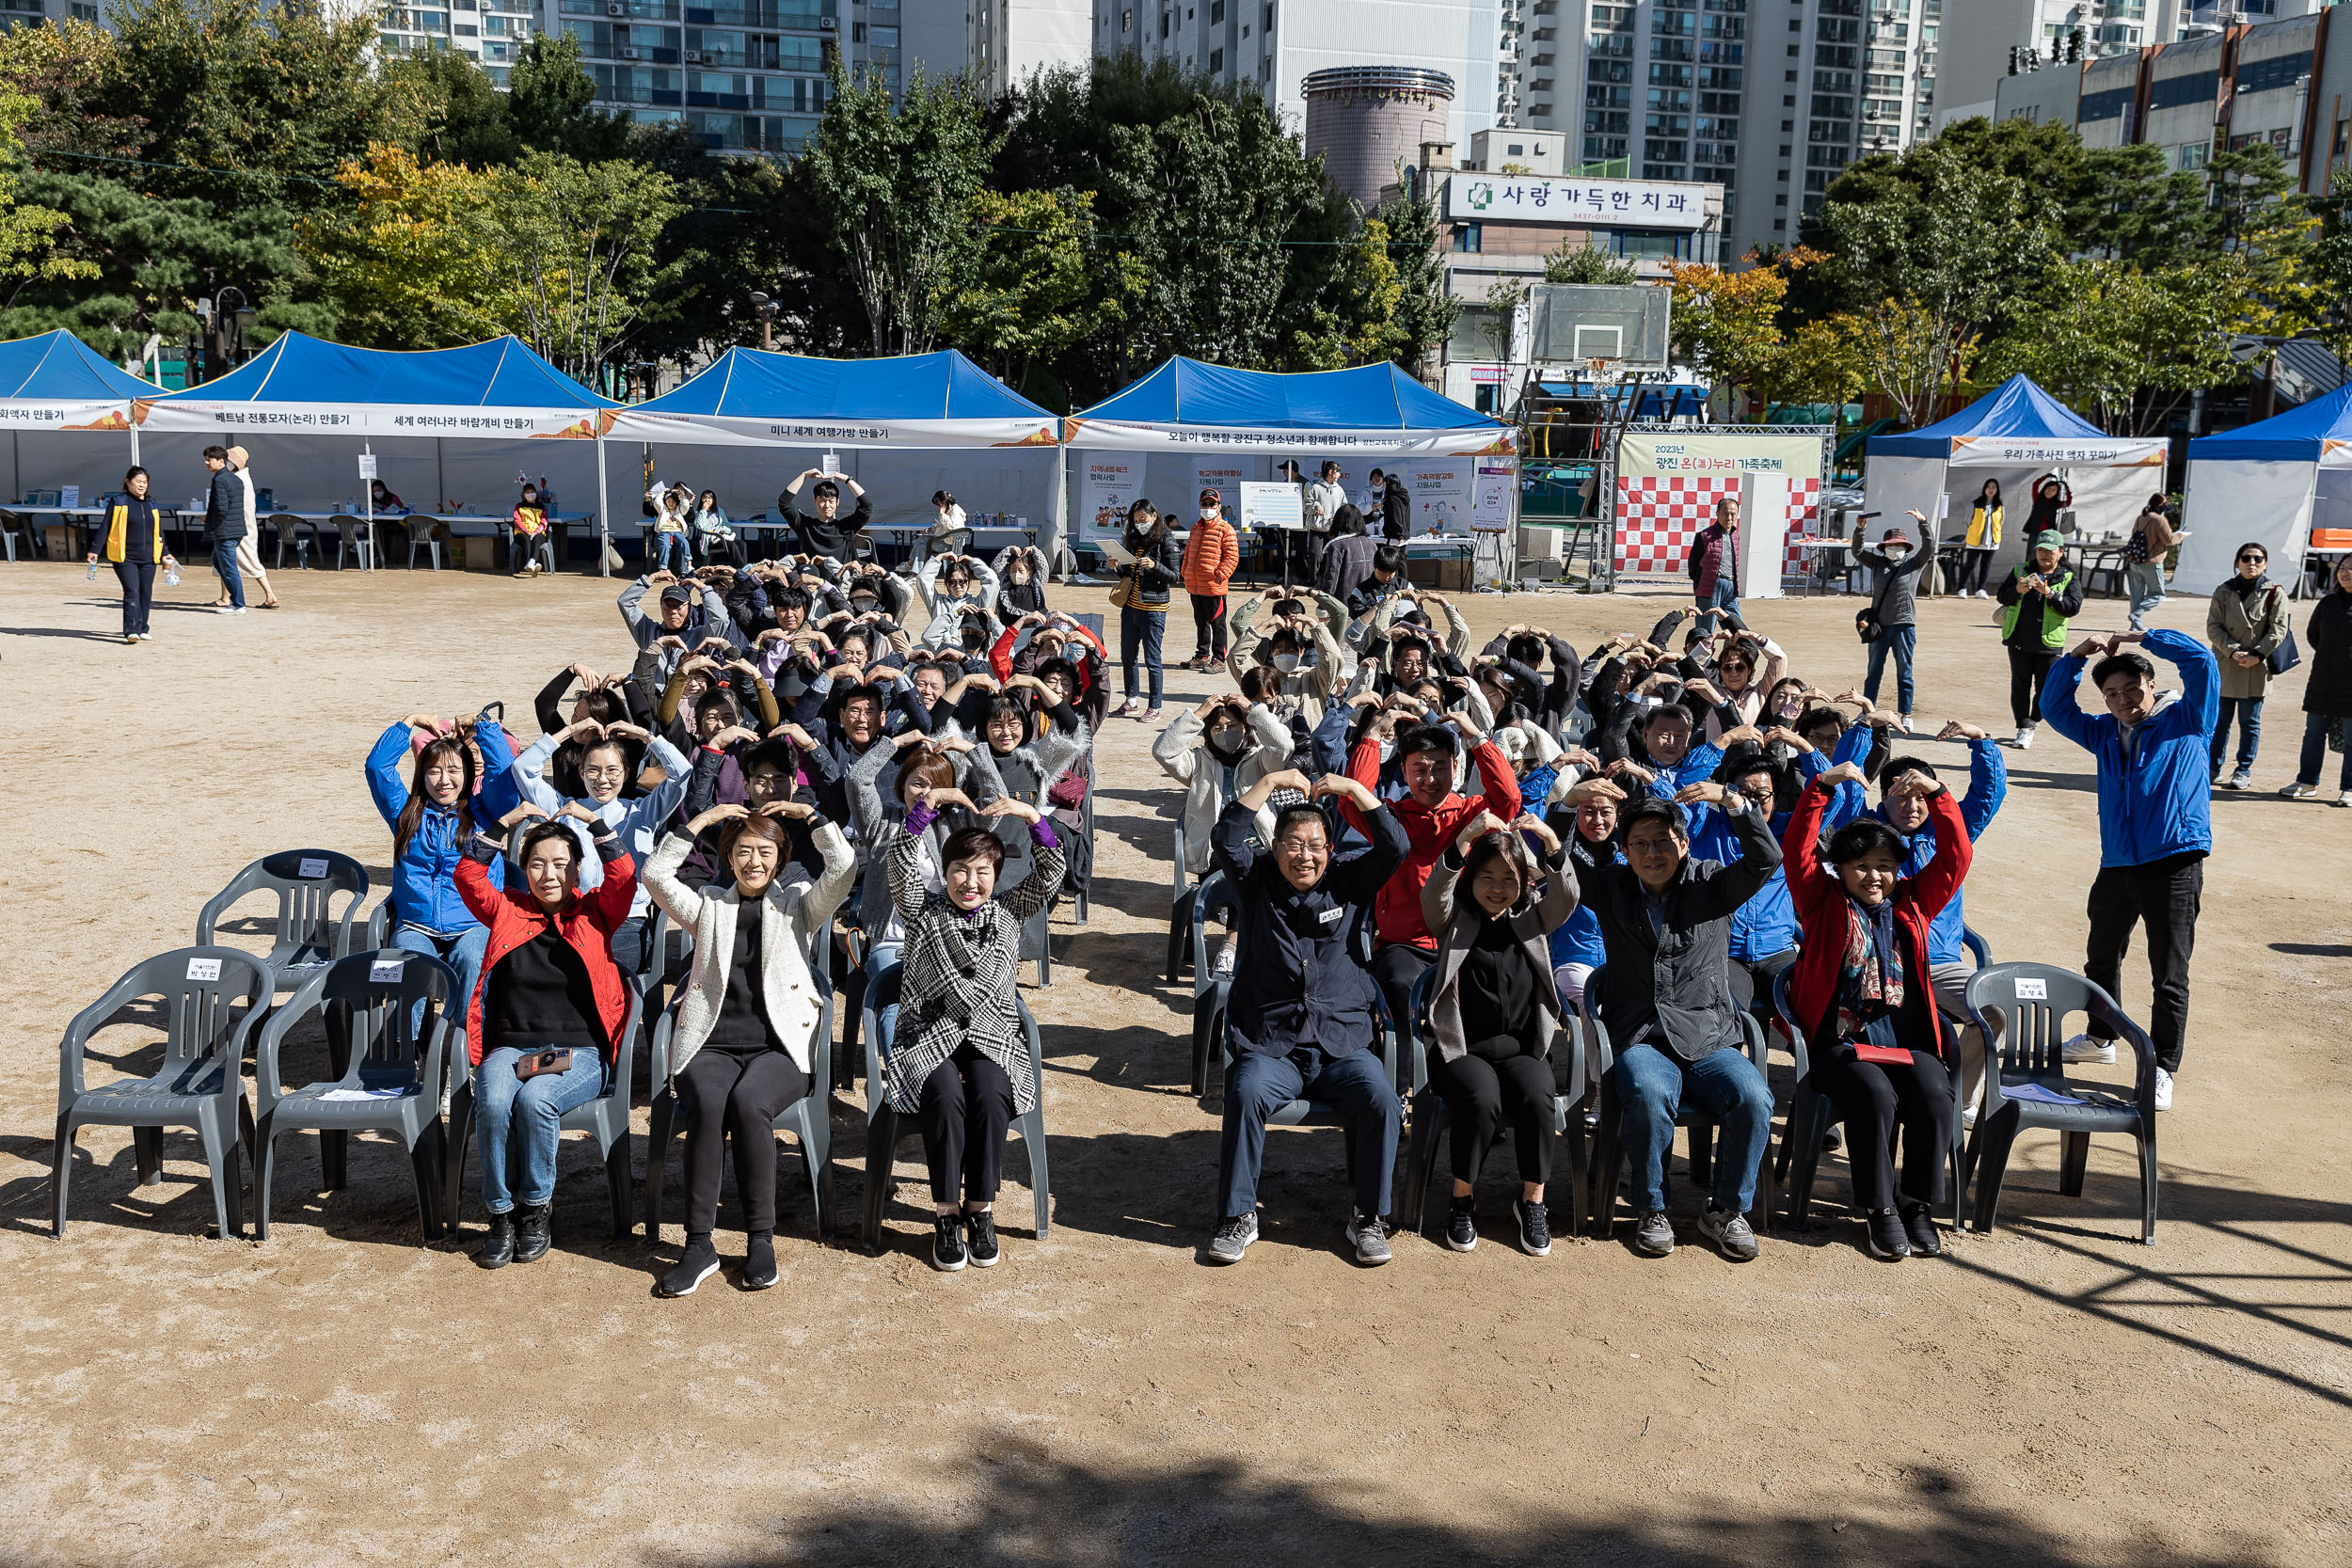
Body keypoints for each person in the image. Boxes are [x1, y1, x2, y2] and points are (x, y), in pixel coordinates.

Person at [642, 801, 854, 1296]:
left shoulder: (799, 904)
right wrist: (698, 823)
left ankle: (761, 1237)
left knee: (747, 1101)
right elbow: (654, 875)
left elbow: (843, 868)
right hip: (712, 1044)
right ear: (729, 857)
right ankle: (699, 1245)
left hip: (778, 1048)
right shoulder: (709, 906)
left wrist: (811, 816)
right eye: (743, 852)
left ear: (778, 859)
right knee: (710, 1101)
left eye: (764, 852)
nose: (753, 861)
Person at [1205, 767, 1409, 1267]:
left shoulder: (1347, 883)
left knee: (1381, 1097)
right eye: (1293, 844)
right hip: (1273, 1044)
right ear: (1275, 848)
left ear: (1330, 850)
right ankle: (1238, 1215)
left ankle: (1368, 1216)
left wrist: (1355, 791)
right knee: (1246, 1090)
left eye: (1316, 845)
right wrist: (1271, 782)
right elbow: (1226, 835)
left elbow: (1396, 848)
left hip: (1342, 1044)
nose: (1305, 855)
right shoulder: (1255, 882)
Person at [1781, 762, 1972, 1260]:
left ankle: (1916, 1205)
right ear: (1840, 869)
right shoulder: (1820, 901)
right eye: (1863, 865)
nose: (1875, 876)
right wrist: (1821, 788)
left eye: (1886, 865)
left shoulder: (1913, 903)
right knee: (1876, 1095)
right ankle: (1879, 1209)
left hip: (1904, 1038)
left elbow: (1957, 856)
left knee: (1935, 1092)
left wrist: (1939, 793)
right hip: (1840, 1041)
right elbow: (1796, 848)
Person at [1584, 789, 1782, 1261]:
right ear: (1625, 850)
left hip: (1708, 1034)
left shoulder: (1711, 882)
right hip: (1639, 1035)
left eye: (1663, 841)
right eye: (1640, 844)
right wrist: (1569, 805)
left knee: (1754, 1097)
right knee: (1649, 1093)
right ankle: (1653, 1209)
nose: (1653, 853)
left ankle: (1725, 1211)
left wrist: (1734, 803)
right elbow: (1562, 874)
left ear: (1684, 842)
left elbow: (1764, 858)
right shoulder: (1612, 886)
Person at [882, 784, 1066, 1273]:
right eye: (960, 870)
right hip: (929, 1032)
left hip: (993, 1032)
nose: (970, 881)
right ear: (944, 874)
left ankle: (979, 1208)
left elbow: (1051, 874)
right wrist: (925, 808)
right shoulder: (922, 912)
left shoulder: (1008, 912)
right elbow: (900, 863)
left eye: (982, 872)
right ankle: (945, 1211)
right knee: (944, 1095)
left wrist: (1033, 816)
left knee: (989, 1092)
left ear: (996, 876)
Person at [2040, 629, 2218, 1112]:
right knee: (2100, 958)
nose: (2122, 700)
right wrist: (2075, 656)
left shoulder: (2189, 719)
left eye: (2131, 689)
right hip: (2117, 863)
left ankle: (2162, 1065)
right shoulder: (2102, 731)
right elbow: (2056, 710)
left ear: (2151, 683)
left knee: (2168, 972)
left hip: (2174, 861)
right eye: (2112, 694)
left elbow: (2201, 659)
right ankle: (2101, 1039)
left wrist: (2144, 636)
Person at [454, 801, 638, 1268]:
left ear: (577, 869)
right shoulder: (507, 911)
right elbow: (469, 878)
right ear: (523, 868)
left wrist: (595, 824)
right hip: (512, 1046)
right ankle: (500, 1214)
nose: (548, 874)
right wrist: (502, 823)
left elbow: (623, 876)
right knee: (493, 1100)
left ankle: (536, 1209)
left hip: (580, 1050)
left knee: (536, 1099)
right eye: (536, 864)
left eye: (560, 863)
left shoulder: (597, 912)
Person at [1420, 808, 1580, 1257]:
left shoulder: (1531, 918)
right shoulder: (1454, 920)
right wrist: (1467, 837)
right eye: (1487, 876)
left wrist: (1549, 839)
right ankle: (1462, 1198)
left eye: (1508, 878)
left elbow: (1566, 896)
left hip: (1520, 1049)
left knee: (1537, 1091)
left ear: (1523, 883)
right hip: (1461, 1049)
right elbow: (1435, 894)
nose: (1496, 888)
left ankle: (1532, 1200)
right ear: (1472, 878)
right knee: (1482, 1095)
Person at [1340, 706, 1522, 1033]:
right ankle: (1408, 1073)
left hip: (1465, 938)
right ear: (1405, 773)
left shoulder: (1471, 812)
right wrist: (1371, 738)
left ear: (1455, 766)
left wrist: (1477, 737)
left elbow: (1508, 798)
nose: (1430, 780)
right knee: (1398, 985)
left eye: (1440, 768)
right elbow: (1352, 800)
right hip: (1403, 945)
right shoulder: (1391, 818)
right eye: (1419, 770)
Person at [1860, 730, 2007, 1120]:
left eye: (1920, 796)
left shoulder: (1945, 835)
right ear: (1883, 799)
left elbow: (1986, 798)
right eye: (1902, 796)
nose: (1912, 805)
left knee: (1993, 1011)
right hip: (1881, 963)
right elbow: (1838, 797)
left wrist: (1983, 743)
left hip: (1939, 964)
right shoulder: (1865, 834)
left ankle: (1958, 1103)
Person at [368, 709, 523, 1065]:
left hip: (472, 923)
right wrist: (407, 723)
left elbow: (504, 772)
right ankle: (405, 1056)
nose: (443, 780)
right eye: (434, 770)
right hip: (417, 924)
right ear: (422, 775)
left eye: (454, 770)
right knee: (407, 962)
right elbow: (378, 768)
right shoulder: (406, 812)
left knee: (471, 959)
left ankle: (464, 1055)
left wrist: (482, 725)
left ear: (468, 775)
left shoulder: (485, 812)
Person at [512, 717, 692, 974]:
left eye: (612, 771)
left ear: (626, 773)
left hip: (626, 923)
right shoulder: (565, 810)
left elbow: (682, 773)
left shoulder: (642, 813)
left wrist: (644, 735)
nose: (602, 780)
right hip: (572, 916)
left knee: (598, 977)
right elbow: (523, 768)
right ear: (582, 773)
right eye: (593, 770)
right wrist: (570, 731)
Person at [2205, 541, 2292, 790]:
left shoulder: (2275, 592)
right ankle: (2213, 767)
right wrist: (2234, 652)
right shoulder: (2223, 591)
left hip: (2256, 666)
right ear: (2237, 562)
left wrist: (2257, 654)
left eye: (2257, 559)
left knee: (2249, 722)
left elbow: (2278, 629)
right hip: (2227, 664)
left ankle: (2243, 769)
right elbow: (2213, 627)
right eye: (2246, 558)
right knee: (2219, 721)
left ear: (2265, 563)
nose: (2251, 563)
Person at [1994, 531, 2081, 751]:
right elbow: (2002, 596)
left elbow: (2073, 607)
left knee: (2046, 688)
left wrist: (2050, 593)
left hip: (2049, 643)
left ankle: (2034, 721)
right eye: (2041, 550)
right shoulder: (2021, 570)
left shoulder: (2068, 577)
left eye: (2050, 551)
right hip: (2019, 639)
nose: (2045, 555)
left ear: (2061, 552)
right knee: (2020, 684)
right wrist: (2017, 589)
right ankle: (2023, 726)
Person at [2280, 556, 2352, 806]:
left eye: (2351, 568)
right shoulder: (2328, 603)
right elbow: (2313, 636)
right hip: (2322, 681)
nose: (2345, 573)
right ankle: (2307, 781)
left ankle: (2349, 788)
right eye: (2342, 568)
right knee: (2313, 735)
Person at [1108, 497, 1182, 721]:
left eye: (1144, 519)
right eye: (1136, 520)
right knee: (1128, 657)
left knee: (1152, 659)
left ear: (1154, 517)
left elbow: (1175, 577)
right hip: (1131, 606)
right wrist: (1116, 567)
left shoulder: (1166, 541)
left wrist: (1154, 565)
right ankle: (1131, 701)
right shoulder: (1132, 539)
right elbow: (1128, 575)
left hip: (1154, 608)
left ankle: (1155, 707)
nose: (1140, 523)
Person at [87, 466, 172, 643]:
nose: (142, 485)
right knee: (132, 591)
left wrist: (165, 553)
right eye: (138, 481)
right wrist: (95, 550)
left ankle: (142, 628)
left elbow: (159, 531)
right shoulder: (118, 502)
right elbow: (105, 526)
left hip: (149, 556)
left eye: (145, 482)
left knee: (145, 593)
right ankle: (131, 630)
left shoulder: (151, 503)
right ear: (128, 482)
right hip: (125, 556)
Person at [1859, 517, 1932, 722]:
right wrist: (1860, 530)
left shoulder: (1914, 564)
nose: (1895, 548)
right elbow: (1857, 552)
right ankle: (1867, 711)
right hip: (1879, 627)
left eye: (1899, 545)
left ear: (1906, 547)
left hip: (1904, 625)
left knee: (1904, 672)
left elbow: (1929, 547)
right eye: (1891, 545)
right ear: (1884, 547)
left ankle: (1906, 714)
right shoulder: (1877, 563)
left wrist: (1923, 523)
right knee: (1873, 671)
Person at [1180, 489, 1239, 672]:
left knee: (1217, 624)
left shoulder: (1225, 529)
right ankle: (1202, 655)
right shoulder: (1195, 528)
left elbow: (1232, 557)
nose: (1208, 508)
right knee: (1201, 622)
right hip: (1195, 585)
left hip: (1214, 586)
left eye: (1212, 504)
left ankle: (1219, 659)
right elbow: (1188, 552)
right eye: (1204, 504)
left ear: (1219, 506)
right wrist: (1185, 571)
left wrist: (1219, 575)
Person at [224, 446, 280, 610]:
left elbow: (238, 506)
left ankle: (270, 594)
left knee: (249, 562)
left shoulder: (239, 480)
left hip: (239, 528)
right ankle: (224, 597)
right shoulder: (238, 477)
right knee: (225, 562)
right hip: (237, 526)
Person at [779, 467, 871, 562]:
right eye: (822, 501)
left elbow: (866, 506)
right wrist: (803, 476)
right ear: (815, 502)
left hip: (841, 575)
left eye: (831, 501)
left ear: (837, 502)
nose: (827, 505)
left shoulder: (845, 527)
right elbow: (784, 503)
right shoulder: (804, 525)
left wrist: (847, 479)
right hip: (811, 575)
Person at [199, 444, 247, 615]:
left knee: (228, 567)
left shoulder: (220, 479)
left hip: (225, 531)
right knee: (219, 562)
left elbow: (221, 508)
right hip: (235, 528)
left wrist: (211, 522)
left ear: (221, 461)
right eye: (205, 459)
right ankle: (236, 601)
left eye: (209, 459)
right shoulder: (235, 478)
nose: (206, 462)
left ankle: (238, 604)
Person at [2124, 493, 2179, 633]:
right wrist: (2181, 535)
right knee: (2158, 594)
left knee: (2136, 594)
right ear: (2161, 505)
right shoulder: (2159, 520)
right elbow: (2169, 540)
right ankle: (2136, 615)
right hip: (2152, 563)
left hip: (2136, 562)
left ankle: (2134, 624)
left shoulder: (2140, 518)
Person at [1687, 494, 1740, 635]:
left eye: (1733, 514)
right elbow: (1693, 563)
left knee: (1736, 627)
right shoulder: (1704, 536)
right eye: (1725, 514)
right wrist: (1699, 583)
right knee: (1705, 629)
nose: (1729, 518)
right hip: (1710, 587)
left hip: (1731, 587)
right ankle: (1702, 656)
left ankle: (1731, 656)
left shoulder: (1736, 535)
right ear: (1717, 514)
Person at [1957, 479, 2003, 598]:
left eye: (1993, 487)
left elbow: (2001, 521)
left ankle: (1981, 589)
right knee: (1970, 565)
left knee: (1986, 566)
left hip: (1991, 541)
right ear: (1984, 489)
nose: (1991, 489)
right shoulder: (1976, 503)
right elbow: (1968, 520)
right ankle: (1962, 588)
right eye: (1989, 487)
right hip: (1975, 541)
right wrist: (1974, 531)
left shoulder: (1999, 506)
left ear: (1997, 490)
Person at [1302, 459, 1347, 577]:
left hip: (1332, 530)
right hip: (1316, 529)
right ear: (1331, 472)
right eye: (1338, 472)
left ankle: (1327, 582)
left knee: (1331, 557)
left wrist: (1338, 517)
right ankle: (1312, 580)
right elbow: (1305, 507)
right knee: (1314, 555)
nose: (1339, 475)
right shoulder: (1316, 488)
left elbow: (1344, 508)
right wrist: (1316, 506)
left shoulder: (1339, 490)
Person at [511, 483, 556, 578]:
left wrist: (535, 532)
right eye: (528, 492)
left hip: (538, 532)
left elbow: (544, 521)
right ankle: (534, 563)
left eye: (532, 492)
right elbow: (517, 521)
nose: (530, 494)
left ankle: (531, 563)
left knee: (538, 538)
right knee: (526, 539)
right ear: (523, 494)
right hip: (522, 532)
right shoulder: (519, 506)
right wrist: (527, 531)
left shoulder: (541, 507)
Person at [691, 488, 736, 568]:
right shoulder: (699, 512)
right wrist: (703, 511)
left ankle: (742, 568)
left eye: (709, 498)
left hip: (721, 536)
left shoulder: (719, 511)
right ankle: (738, 568)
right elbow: (700, 526)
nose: (707, 500)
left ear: (713, 500)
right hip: (710, 540)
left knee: (742, 544)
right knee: (731, 545)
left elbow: (726, 524)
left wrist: (724, 530)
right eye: (704, 497)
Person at [1380, 472, 1412, 542]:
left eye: (1384, 485)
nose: (1384, 487)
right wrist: (1404, 534)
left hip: (1394, 537)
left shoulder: (1392, 499)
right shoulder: (1404, 498)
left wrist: (1400, 535)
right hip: (1404, 536)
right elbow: (1407, 518)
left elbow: (1396, 518)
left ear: (1389, 485)